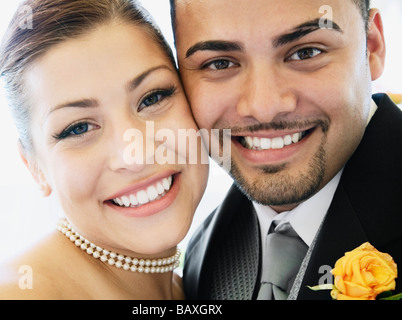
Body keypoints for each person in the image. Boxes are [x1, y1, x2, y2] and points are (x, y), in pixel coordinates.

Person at [0, 0, 208, 300]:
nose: (135, 154)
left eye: (152, 98)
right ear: (34, 167)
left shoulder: (195, 284)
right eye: (78, 128)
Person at [170, 0, 402, 299]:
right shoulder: (203, 253)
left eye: (306, 52)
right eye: (220, 63)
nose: (264, 108)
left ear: (372, 46)